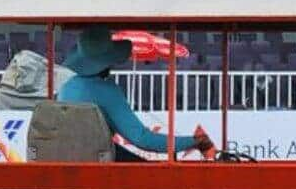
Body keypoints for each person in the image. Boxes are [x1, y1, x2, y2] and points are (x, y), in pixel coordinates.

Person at [60, 26, 214, 160]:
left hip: (66, 155)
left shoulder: (66, 87)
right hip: (97, 158)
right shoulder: (107, 90)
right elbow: (141, 139)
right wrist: (194, 141)